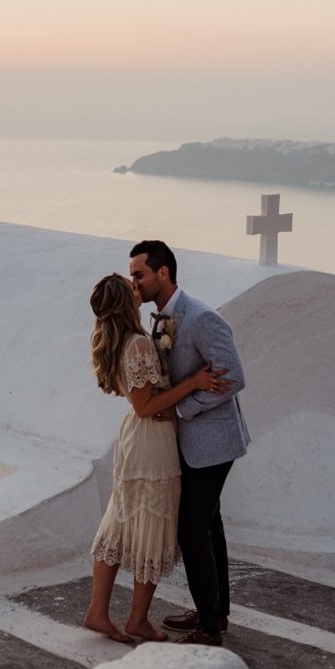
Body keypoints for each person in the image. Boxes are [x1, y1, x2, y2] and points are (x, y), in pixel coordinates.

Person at [84, 273, 230, 644]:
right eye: (132, 287)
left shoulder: (122, 339)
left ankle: (98, 613)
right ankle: (136, 620)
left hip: (138, 439)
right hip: (151, 442)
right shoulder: (136, 344)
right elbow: (145, 406)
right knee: (150, 523)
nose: (139, 288)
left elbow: (143, 400)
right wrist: (193, 383)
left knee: (120, 523)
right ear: (124, 301)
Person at [129, 240, 249, 647]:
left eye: (139, 274)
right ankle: (216, 613)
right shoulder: (162, 318)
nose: (135, 282)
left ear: (163, 273)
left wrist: (184, 408)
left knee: (192, 531)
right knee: (210, 527)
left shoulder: (200, 317)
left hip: (214, 443)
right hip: (192, 443)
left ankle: (209, 631)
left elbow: (233, 377)